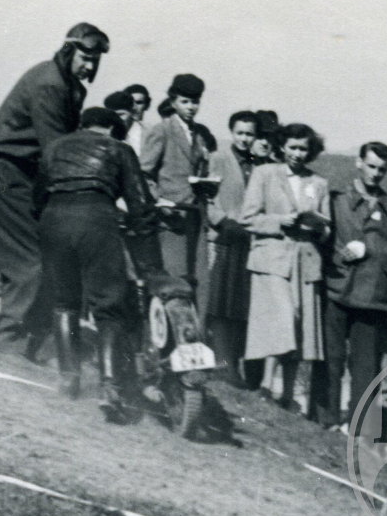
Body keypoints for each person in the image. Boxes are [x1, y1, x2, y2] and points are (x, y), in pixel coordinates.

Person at [0, 22, 109, 358]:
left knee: (51, 253)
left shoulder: (68, 85)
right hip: (1, 173)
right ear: (68, 50)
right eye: (84, 56)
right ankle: (5, 345)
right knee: (30, 261)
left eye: (96, 59)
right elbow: (55, 152)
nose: (90, 65)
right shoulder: (50, 86)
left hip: (19, 174)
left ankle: (40, 337)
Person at [35, 106, 165, 417]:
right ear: (111, 129)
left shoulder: (54, 148)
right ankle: (110, 388)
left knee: (64, 302)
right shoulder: (118, 148)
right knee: (109, 305)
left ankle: (68, 381)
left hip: (53, 220)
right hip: (96, 220)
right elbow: (140, 204)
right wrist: (150, 263)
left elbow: (37, 197)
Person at [241, 122, 332, 415]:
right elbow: (248, 218)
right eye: (292, 147)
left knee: (301, 326)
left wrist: (317, 228)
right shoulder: (264, 174)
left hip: (305, 261)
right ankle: (267, 385)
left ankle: (288, 394)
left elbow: (327, 228)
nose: (297, 153)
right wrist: (281, 221)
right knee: (283, 318)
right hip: (273, 259)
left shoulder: (319, 183)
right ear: (281, 146)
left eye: (303, 148)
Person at [321, 142, 387, 431]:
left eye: (382, 169)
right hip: (337, 288)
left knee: (364, 367)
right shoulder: (337, 200)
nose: (376, 174)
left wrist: (366, 246)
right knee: (331, 358)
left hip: (372, 297)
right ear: (358, 162)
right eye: (371, 166)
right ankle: (327, 418)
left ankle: (356, 426)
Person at [140, 74, 214, 284]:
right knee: (174, 276)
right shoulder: (162, 130)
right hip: (171, 217)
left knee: (197, 277)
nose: (191, 107)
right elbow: (144, 174)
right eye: (185, 101)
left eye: (195, 102)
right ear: (173, 102)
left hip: (196, 215)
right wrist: (159, 201)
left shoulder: (199, 135)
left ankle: (196, 318)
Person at [205, 110, 261, 385]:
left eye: (249, 133)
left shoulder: (258, 164)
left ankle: (235, 363)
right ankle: (224, 362)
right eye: (240, 132)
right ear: (231, 132)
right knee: (222, 301)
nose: (244, 138)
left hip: (250, 241)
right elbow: (207, 197)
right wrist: (222, 221)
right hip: (226, 236)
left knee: (242, 304)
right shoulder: (218, 159)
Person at [122, 83, 151, 155]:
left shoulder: (152, 131)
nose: (134, 107)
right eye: (131, 103)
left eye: (139, 102)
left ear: (147, 105)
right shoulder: (113, 129)